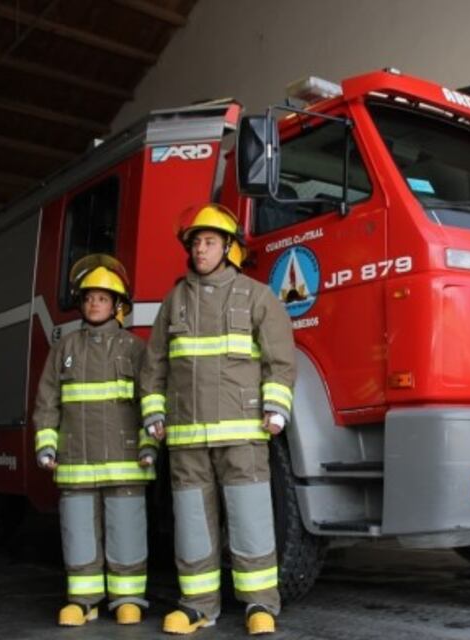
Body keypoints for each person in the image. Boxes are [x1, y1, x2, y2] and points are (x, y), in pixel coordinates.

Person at [140, 204, 296, 636]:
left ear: (229, 248)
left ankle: (261, 604)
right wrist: (154, 413)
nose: (200, 249)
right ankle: (197, 606)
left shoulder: (257, 296)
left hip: (243, 434)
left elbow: (280, 361)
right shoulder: (175, 300)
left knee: (250, 519)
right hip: (187, 437)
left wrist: (276, 408)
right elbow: (153, 366)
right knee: (192, 523)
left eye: (209, 241)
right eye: (195, 242)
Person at [33, 253, 158, 627]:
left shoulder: (135, 350)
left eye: (102, 298)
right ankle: (83, 600)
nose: (93, 304)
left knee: (127, 530)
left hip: (126, 459)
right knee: (79, 531)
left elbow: (148, 400)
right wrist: (46, 446)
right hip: (76, 459)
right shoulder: (65, 350)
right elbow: (47, 402)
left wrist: (150, 446)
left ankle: (128, 598)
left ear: (118, 306)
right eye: (88, 298)